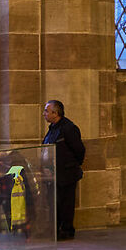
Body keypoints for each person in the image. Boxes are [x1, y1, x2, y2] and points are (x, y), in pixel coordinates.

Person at [43, 100, 85, 241]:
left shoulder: (68, 128)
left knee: (65, 203)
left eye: (46, 111)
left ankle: (66, 230)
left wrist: (70, 166)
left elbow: (79, 151)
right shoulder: (53, 128)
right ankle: (55, 229)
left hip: (66, 174)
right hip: (53, 174)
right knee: (55, 203)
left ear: (55, 113)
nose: (44, 114)